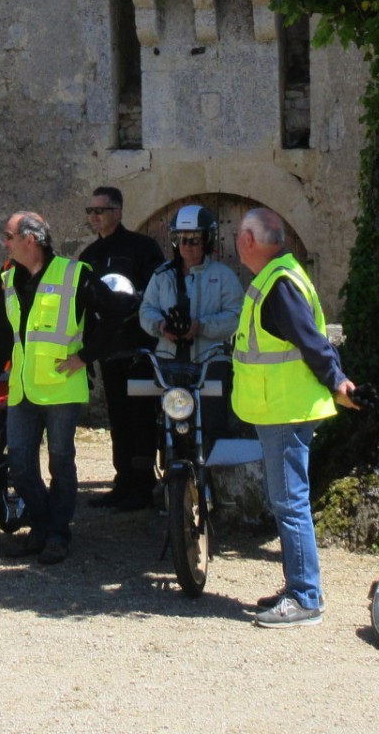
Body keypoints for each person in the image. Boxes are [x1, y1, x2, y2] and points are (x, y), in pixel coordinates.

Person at [0, 210, 135, 565]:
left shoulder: (75, 274)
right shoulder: (7, 278)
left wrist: (86, 356)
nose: (3, 242)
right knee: (19, 463)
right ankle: (41, 524)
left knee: (61, 463)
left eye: (8, 236)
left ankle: (57, 534)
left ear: (29, 240)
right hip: (23, 387)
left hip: (63, 388)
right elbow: (5, 333)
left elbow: (115, 313)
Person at [231, 208, 359, 628]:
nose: (235, 242)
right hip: (282, 408)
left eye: (238, 235)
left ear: (250, 241)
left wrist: (338, 382)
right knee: (288, 501)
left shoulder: (279, 283)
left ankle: (305, 597)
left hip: (287, 410)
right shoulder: (278, 277)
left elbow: (312, 342)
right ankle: (299, 588)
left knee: (290, 504)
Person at [80, 185, 163, 511]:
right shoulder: (89, 256)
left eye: (100, 210)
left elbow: (156, 290)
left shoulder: (142, 248)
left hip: (139, 348)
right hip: (108, 348)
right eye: (90, 211)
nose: (95, 216)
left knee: (141, 417)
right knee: (117, 417)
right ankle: (122, 481)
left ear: (118, 211)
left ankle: (143, 487)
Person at [139, 204, 244, 455]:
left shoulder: (223, 276)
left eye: (195, 240)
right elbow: (146, 310)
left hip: (209, 360)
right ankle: (170, 475)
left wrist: (202, 326)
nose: (188, 245)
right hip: (169, 361)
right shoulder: (162, 276)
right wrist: (161, 326)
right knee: (165, 422)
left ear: (207, 240)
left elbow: (236, 315)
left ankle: (215, 479)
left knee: (213, 423)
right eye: (182, 239)